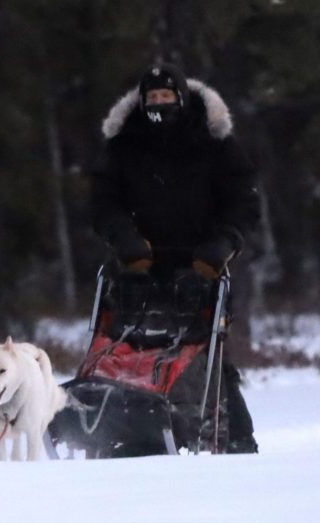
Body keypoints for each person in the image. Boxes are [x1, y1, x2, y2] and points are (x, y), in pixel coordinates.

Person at [91, 64, 260, 453]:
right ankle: (121, 423)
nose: (159, 105)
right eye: (152, 99)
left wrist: (222, 246)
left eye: (166, 98)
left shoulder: (215, 143)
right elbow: (103, 203)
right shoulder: (123, 146)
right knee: (124, 347)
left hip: (202, 266)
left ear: (182, 99)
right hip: (138, 266)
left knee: (203, 351)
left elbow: (243, 202)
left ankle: (231, 437)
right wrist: (124, 240)